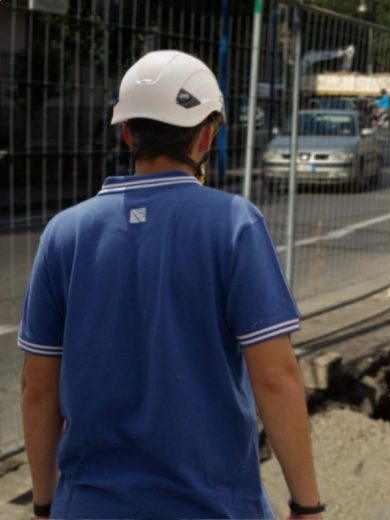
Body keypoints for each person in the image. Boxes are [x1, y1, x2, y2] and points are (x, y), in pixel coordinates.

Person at [18, 50, 323, 520]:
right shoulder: (233, 225)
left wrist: (44, 503)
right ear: (206, 135)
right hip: (213, 506)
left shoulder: (65, 232)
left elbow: (38, 390)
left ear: (126, 133)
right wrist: (307, 505)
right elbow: (275, 377)